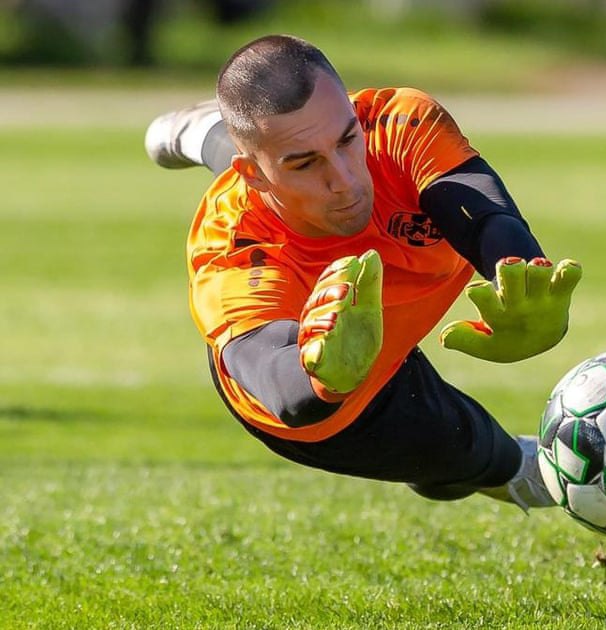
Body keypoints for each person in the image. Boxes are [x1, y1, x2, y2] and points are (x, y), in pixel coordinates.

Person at [144, 34, 582, 511]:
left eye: (348, 141)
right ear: (253, 175)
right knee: (473, 453)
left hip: (370, 297)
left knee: (288, 147)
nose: (346, 181)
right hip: (333, 411)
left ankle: (206, 131)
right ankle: (514, 469)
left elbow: (484, 215)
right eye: (307, 165)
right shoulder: (233, 252)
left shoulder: (396, 123)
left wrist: (518, 274)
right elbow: (283, 390)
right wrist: (326, 373)